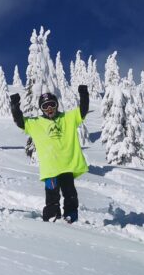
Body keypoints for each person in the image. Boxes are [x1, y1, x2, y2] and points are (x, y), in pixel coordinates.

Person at [10, 85, 89, 223]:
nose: (49, 109)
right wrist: (15, 106)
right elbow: (20, 121)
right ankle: (52, 215)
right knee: (52, 195)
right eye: (45, 106)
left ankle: (71, 216)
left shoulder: (67, 118)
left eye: (52, 105)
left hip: (67, 165)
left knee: (70, 193)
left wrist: (84, 94)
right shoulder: (36, 123)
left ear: (57, 105)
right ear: (41, 109)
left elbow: (82, 111)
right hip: (50, 169)